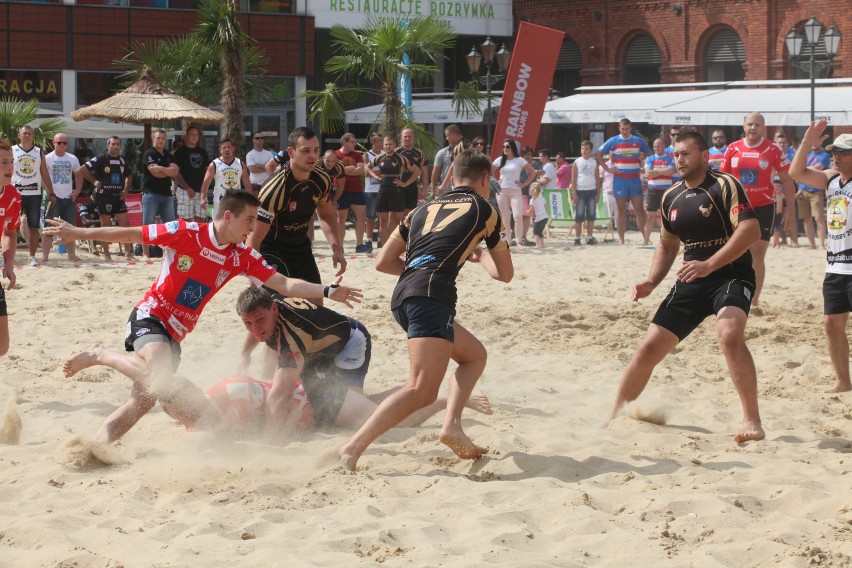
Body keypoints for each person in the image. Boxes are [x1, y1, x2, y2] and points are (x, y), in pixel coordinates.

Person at [44, 190, 362, 442]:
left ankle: (99, 444)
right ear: (228, 216)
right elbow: (131, 234)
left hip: (175, 335)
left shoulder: (241, 255)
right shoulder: (184, 232)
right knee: (158, 376)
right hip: (151, 316)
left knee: (143, 402)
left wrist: (327, 291)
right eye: (249, 219)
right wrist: (79, 232)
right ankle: (101, 354)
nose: (253, 228)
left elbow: (283, 283)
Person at [338, 148, 514, 471]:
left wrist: (425, 267)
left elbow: (382, 262)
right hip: (432, 296)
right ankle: (352, 447)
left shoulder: (421, 209)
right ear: (485, 179)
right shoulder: (484, 209)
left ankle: (452, 426)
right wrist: (479, 253)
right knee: (420, 388)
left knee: (474, 356)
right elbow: (504, 274)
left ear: (453, 176)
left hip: (405, 294)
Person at [607, 131, 765, 443]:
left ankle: (752, 420)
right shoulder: (671, 197)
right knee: (648, 348)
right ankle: (613, 416)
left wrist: (710, 264)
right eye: (676, 154)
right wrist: (652, 281)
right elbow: (667, 246)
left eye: (686, 154)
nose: (679, 159)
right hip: (692, 278)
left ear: (704, 157)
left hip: (731, 273)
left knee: (730, 336)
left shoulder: (724, 185)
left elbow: (750, 230)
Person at [788, 119, 852, 393]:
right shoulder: (830, 179)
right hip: (836, 266)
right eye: (833, 152)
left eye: (842, 152)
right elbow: (796, 172)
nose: (835, 156)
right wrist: (806, 142)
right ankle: (843, 381)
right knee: (830, 323)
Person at [248, 127, 345, 286]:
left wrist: (337, 250)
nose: (312, 156)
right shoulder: (274, 189)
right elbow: (254, 240)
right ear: (291, 152)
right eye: (305, 150)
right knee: (278, 304)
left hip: (301, 247)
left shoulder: (322, 179)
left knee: (315, 305)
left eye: (316, 150)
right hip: (272, 249)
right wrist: (255, 283)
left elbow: (327, 215)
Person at [721, 112, 796, 306]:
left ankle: (753, 301)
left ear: (763, 128)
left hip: (763, 206)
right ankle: (732, 294)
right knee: (734, 252)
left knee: (757, 253)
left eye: (757, 125)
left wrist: (790, 209)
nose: (753, 128)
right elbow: (722, 180)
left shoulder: (773, 150)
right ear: (744, 127)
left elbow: (787, 180)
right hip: (738, 206)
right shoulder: (732, 148)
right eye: (750, 124)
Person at [595, 118, 650, 244]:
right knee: (620, 209)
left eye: (627, 129)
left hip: (634, 179)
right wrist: (607, 169)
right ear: (619, 129)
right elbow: (598, 153)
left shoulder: (637, 140)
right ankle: (621, 239)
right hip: (620, 180)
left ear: (631, 128)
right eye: (622, 129)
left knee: (639, 209)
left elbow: (649, 153)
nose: (624, 131)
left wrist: (644, 167)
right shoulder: (614, 140)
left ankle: (645, 238)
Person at [81, 136, 136, 262]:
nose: (116, 146)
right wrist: (94, 182)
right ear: (108, 145)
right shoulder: (101, 158)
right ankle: (107, 254)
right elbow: (83, 169)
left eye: (118, 144)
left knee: (126, 226)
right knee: (105, 226)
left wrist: (126, 190)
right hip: (104, 196)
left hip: (118, 196)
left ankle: (128, 254)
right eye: (113, 144)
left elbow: (129, 175)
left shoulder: (122, 160)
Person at [12, 125, 54, 267]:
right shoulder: (12, 150)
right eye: (24, 133)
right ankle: (6, 256)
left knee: (34, 227)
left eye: (29, 133)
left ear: (33, 136)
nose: (27, 135)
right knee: (8, 226)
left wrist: (50, 192)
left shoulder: (38, 151)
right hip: (15, 194)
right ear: (19, 135)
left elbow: (44, 173)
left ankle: (32, 257)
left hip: (34, 194)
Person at [367, 135, 418, 248]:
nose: (388, 146)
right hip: (383, 191)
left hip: (396, 191)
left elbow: (416, 171)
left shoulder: (401, 158)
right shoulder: (380, 158)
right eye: (386, 144)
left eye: (390, 144)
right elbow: (367, 167)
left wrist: (405, 184)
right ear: (383, 145)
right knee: (383, 221)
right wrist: (375, 176)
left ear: (395, 145)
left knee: (397, 220)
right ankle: (384, 246)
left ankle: (395, 246)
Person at [42, 133, 83, 263]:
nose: (62, 145)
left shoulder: (72, 158)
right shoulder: (47, 158)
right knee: (49, 228)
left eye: (64, 143)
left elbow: (79, 175)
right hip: (53, 198)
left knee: (70, 228)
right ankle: (45, 257)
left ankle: (71, 254)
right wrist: (49, 192)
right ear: (53, 143)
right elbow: (42, 178)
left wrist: (77, 191)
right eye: (59, 142)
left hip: (68, 198)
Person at [140, 129, 179, 260]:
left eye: (163, 138)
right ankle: (145, 253)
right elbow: (154, 173)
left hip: (167, 194)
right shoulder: (149, 153)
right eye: (158, 138)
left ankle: (166, 253)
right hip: (151, 193)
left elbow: (174, 172)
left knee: (169, 225)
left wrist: (161, 169)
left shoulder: (169, 155)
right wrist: (167, 170)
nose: (161, 140)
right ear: (153, 139)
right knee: (148, 224)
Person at [493, 139, 536, 247]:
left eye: (507, 147)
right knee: (505, 218)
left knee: (517, 216)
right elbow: (489, 170)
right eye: (503, 147)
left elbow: (532, 172)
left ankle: (519, 241)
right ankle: (505, 241)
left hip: (516, 191)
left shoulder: (519, 160)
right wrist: (495, 181)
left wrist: (525, 183)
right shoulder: (500, 160)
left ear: (512, 148)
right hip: (501, 191)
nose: (505, 149)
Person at [0, 139, 21, 357]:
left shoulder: (13, 196)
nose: (10, 167)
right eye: (4, 162)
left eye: (11, 162)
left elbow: (10, 232)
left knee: (2, 347)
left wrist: (9, 264)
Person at [199, 138, 252, 219]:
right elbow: (206, 182)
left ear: (233, 148)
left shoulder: (240, 164)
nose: (227, 149)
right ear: (220, 150)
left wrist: (250, 200)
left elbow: (247, 183)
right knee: (219, 225)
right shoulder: (214, 164)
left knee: (235, 225)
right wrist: (202, 198)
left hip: (236, 200)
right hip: (220, 200)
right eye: (224, 147)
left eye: (229, 147)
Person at [335, 133, 369, 253]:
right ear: (344, 142)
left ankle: (359, 245)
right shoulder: (336, 154)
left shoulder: (357, 155)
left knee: (361, 217)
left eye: (355, 142)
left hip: (356, 190)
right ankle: (340, 246)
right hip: (341, 190)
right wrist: (349, 169)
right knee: (341, 219)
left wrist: (345, 171)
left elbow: (361, 170)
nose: (354, 144)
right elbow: (336, 171)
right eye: (352, 142)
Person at [172, 126, 210, 224]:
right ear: (186, 136)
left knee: (201, 219)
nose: (194, 136)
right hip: (185, 190)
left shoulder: (203, 152)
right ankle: (187, 239)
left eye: (196, 134)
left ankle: (196, 238)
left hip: (201, 191)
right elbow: (176, 173)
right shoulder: (180, 152)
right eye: (192, 134)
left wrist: (204, 189)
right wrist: (187, 187)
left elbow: (207, 172)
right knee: (185, 220)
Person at [797, 141, 831, 249]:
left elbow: (818, 168)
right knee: (806, 219)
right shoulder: (807, 155)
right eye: (814, 141)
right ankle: (812, 244)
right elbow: (798, 171)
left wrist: (802, 170)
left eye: (818, 141)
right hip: (803, 190)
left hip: (816, 190)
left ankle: (821, 244)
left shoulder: (824, 155)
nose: (815, 143)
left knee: (819, 218)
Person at [643, 137, 676, 245]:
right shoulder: (650, 159)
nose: (656, 148)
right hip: (652, 190)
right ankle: (645, 240)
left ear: (664, 146)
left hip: (666, 190)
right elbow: (648, 173)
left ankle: (664, 240)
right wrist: (662, 171)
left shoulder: (670, 158)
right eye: (655, 146)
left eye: (658, 146)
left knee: (665, 216)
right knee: (650, 216)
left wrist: (656, 170)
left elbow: (671, 171)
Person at [570, 140, 602, 246]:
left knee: (591, 216)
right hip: (580, 191)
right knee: (579, 216)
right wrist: (574, 193)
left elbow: (597, 179)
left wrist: (598, 193)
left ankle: (589, 237)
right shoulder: (577, 162)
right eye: (582, 148)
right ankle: (577, 237)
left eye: (586, 148)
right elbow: (573, 179)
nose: (584, 150)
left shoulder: (594, 162)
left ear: (590, 150)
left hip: (592, 191)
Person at [314, 150, 346, 242]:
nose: (330, 163)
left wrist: (333, 202)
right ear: (323, 158)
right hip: (314, 187)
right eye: (328, 160)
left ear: (336, 161)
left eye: (333, 161)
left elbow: (341, 186)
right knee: (309, 218)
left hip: (329, 189)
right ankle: (310, 243)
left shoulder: (339, 166)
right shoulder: (316, 165)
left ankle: (338, 244)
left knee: (333, 217)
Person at [398, 127, 428, 214]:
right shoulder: (395, 152)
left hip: (412, 187)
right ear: (401, 138)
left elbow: (424, 172)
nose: (407, 138)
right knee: (397, 213)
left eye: (409, 136)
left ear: (413, 138)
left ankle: (407, 228)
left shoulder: (420, 153)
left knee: (409, 212)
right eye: (405, 136)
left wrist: (425, 188)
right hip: (397, 187)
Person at [431, 124, 464, 198]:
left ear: (453, 135)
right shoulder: (442, 153)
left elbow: (453, 166)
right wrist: (433, 190)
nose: (446, 138)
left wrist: (442, 186)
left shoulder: (465, 147)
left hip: (463, 188)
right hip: (448, 190)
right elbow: (435, 172)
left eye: (447, 135)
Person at [363, 132, 383, 246]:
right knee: (370, 217)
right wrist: (381, 171)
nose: (381, 143)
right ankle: (369, 240)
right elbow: (366, 173)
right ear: (373, 142)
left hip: (383, 189)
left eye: (382, 140)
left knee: (382, 217)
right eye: (379, 140)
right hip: (371, 190)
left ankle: (380, 240)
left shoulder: (385, 154)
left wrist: (372, 171)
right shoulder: (367, 154)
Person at [526, 182, 548, 248]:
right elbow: (546, 207)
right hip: (545, 217)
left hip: (539, 218)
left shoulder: (532, 200)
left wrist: (527, 211)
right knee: (540, 232)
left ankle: (537, 245)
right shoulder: (542, 198)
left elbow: (531, 209)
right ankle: (542, 245)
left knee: (535, 232)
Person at [771, 177, 786, 248]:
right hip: (772, 215)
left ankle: (775, 244)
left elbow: (785, 206)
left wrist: (784, 216)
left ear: (781, 187)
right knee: (775, 230)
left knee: (776, 230)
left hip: (779, 214)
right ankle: (777, 244)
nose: (777, 188)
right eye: (775, 186)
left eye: (779, 186)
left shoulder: (782, 195)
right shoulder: (771, 195)